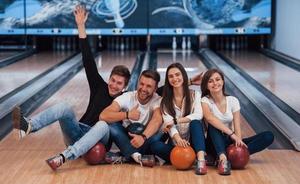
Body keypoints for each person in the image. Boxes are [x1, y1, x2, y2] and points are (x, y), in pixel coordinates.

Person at [12, 5, 131, 171]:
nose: (114, 84)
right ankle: (29, 126)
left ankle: (65, 157)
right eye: (113, 80)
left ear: (125, 86)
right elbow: (88, 59)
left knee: (103, 124)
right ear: (109, 78)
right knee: (64, 107)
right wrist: (81, 25)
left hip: (99, 139)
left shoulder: (126, 99)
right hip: (77, 133)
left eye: (119, 83)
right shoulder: (99, 86)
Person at [201, 68, 274, 175]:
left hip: (229, 140)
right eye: (210, 81)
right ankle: (223, 159)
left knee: (268, 136)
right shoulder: (205, 101)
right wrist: (231, 134)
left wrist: (238, 143)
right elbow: (210, 118)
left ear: (223, 81)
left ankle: (234, 156)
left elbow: (237, 125)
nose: (215, 83)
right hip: (212, 142)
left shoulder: (233, 100)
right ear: (206, 85)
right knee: (214, 125)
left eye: (218, 79)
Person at [150, 63, 207, 175]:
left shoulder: (196, 94)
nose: (175, 78)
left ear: (184, 76)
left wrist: (176, 121)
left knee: (195, 123)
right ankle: (183, 159)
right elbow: (168, 124)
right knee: (154, 145)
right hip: (176, 145)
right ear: (167, 80)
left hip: (194, 143)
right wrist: (179, 140)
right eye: (171, 76)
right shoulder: (163, 101)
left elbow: (198, 115)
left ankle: (201, 160)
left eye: (177, 75)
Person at [100, 70, 163, 167]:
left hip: (146, 140)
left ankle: (126, 155)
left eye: (149, 86)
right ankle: (137, 157)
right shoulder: (127, 97)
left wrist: (143, 137)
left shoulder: (157, 100)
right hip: (127, 139)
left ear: (155, 89)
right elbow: (103, 115)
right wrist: (127, 114)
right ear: (137, 83)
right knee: (110, 124)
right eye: (141, 84)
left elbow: (157, 120)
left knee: (161, 130)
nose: (143, 88)